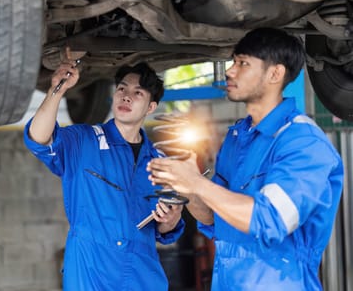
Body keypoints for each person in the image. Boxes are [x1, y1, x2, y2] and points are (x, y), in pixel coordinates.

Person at [147, 27, 344, 291]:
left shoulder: (303, 142)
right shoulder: (238, 137)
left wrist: (197, 184)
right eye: (233, 61)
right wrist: (186, 187)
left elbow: (270, 220)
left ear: (275, 73)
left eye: (243, 63)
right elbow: (213, 218)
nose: (230, 70)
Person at [24, 47, 184, 290]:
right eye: (122, 89)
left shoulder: (161, 163)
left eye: (137, 92)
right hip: (91, 275)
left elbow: (164, 228)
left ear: (151, 107)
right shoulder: (84, 141)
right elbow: (38, 138)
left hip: (142, 277)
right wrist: (58, 90)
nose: (126, 96)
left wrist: (171, 219)